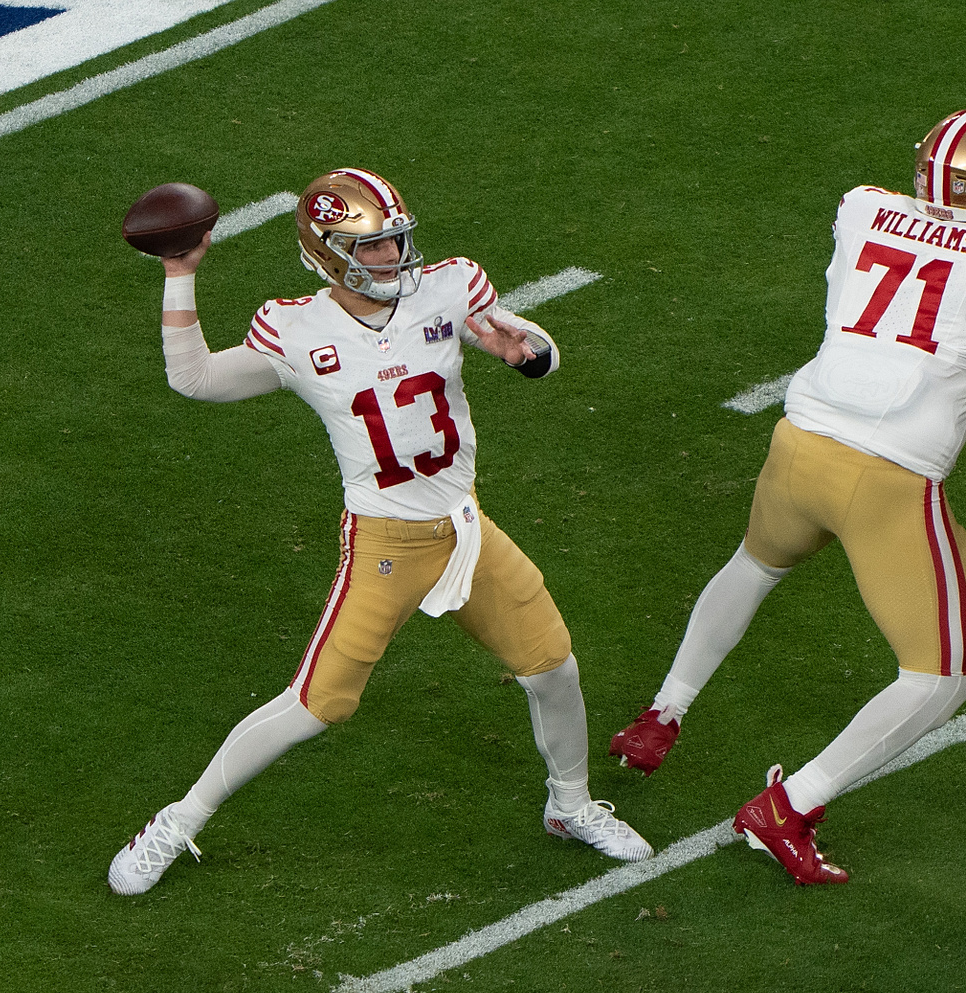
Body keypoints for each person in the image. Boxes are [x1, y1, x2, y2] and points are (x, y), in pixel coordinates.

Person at [108, 168, 651, 896]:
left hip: (465, 528)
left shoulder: (451, 286)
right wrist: (180, 274)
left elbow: (533, 345)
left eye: (397, 242)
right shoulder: (296, 328)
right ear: (328, 253)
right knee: (315, 703)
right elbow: (197, 378)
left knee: (554, 666)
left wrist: (531, 352)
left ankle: (572, 804)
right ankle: (177, 821)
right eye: (375, 248)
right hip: (385, 544)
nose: (395, 258)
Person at [617, 111, 966, 884]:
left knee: (757, 564)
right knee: (942, 677)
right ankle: (790, 807)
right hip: (888, 477)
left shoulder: (862, 205)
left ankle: (663, 711)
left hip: (799, 443)